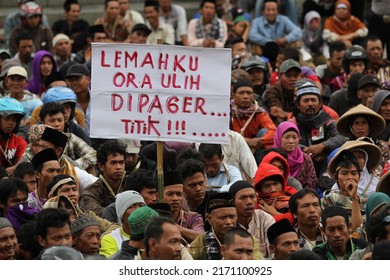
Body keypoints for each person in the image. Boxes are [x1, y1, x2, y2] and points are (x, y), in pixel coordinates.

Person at [290, 80, 345, 177]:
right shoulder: (292, 124)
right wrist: (307, 151)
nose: (310, 104)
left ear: (320, 104)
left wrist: (322, 146)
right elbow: (285, 142)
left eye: (313, 100)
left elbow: (341, 137)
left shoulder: (328, 122)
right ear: (298, 105)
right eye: (306, 101)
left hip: (325, 169)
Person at [230, 78, 276, 163]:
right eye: (241, 93)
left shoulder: (258, 112)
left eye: (249, 93)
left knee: (264, 132)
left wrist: (258, 142)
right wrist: (247, 141)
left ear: (253, 96)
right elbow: (223, 134)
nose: (245, 96)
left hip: (254, 151)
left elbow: (273, 132)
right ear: (233, 95)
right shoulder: (227, 111)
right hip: (232, 150)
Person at [229, 180, 274, 257]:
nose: (249, 202)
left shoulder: (265, 218)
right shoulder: (228, 223)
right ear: (233, 202)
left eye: (252, 197)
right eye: (243, 197)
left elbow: (273, 254)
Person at [81, 140, 126, 216]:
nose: (119, 167)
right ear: (101, 166)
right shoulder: (90, 192)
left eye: (121, 162)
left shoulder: (132, 184)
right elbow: (98, 215)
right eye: (113, 163)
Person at [323, 149, 364, 231]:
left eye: (354, 173)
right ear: (336, 177)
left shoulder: (366, 201)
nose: (350, 177)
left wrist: (354, 198)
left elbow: (359, 230)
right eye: (344, 173)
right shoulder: (328, 200)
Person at [162, 170, 204, 243]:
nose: (175, 198)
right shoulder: (152, 217)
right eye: (170, 194)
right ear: (158, 195)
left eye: (179, 194)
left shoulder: (193, 217)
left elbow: (201, 238)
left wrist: (173, 226)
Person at [99, 190, 145, 257]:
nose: (138, 210)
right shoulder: (110, 239)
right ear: (122, 213)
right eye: (131, 206)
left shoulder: (153, 236)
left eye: (141, 205)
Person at [273, 121, 317, 190]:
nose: (291, 141)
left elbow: (311, 184)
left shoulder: (305, 158)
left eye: (294, 137)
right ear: (279, 138)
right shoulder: (272, 158)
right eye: (287, 137)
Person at [0, 97, 27, 175]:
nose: (11, 123)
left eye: (14, 120)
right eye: (7, 119)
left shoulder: (18, 140)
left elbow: (25, 157)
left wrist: (16, 167)